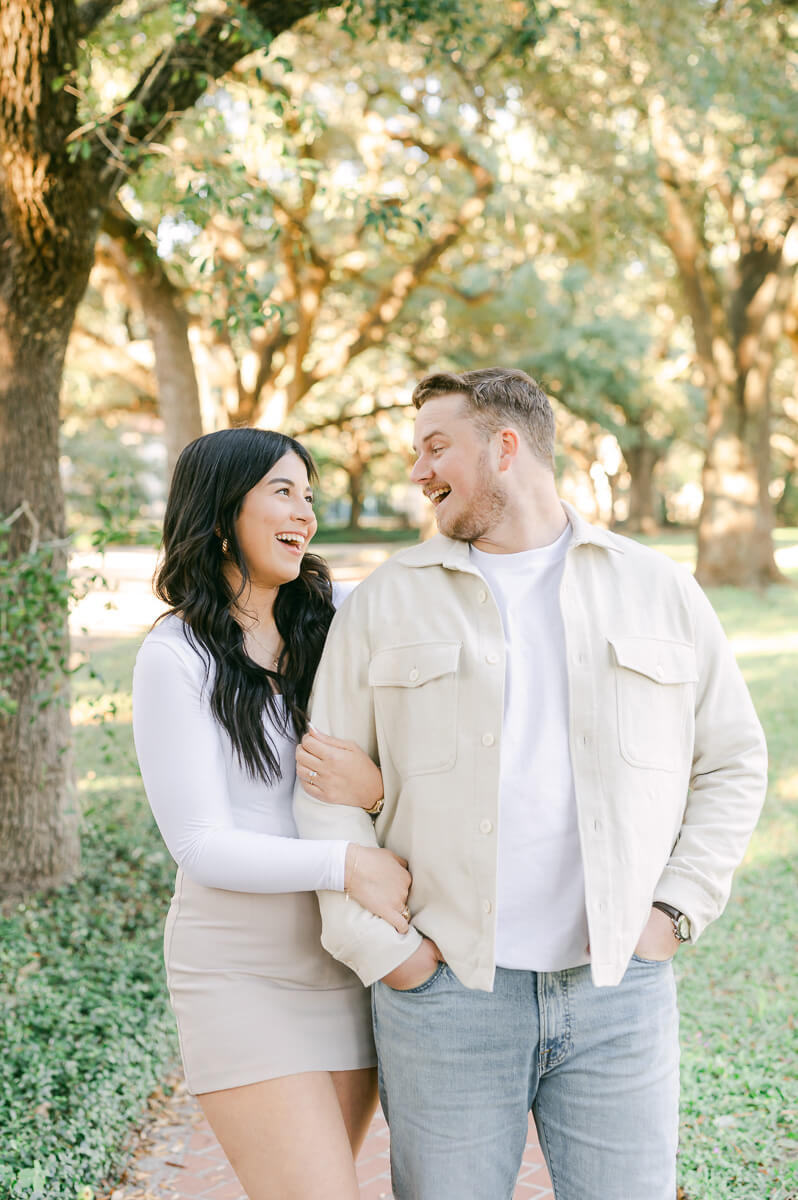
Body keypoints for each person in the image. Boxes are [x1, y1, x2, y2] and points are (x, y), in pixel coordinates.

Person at [293, 368, 768, 1200]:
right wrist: (392, 955)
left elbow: (732, 759)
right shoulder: (385, 603)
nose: (418, 471)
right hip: (445, 998)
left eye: (436, 447)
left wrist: (671, 913)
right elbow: (323, 785)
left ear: (505, 446)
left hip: (620, 991)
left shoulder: (659, 588)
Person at [132, 428, 411, 1200]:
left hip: (346, 960)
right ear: (222, 512)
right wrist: (348, 864)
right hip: (239, 971)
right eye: (282, 492)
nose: (306, 514)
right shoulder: (176, 654)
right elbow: (199, 844)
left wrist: (379, 791)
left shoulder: (337, 619)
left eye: (309, 496)